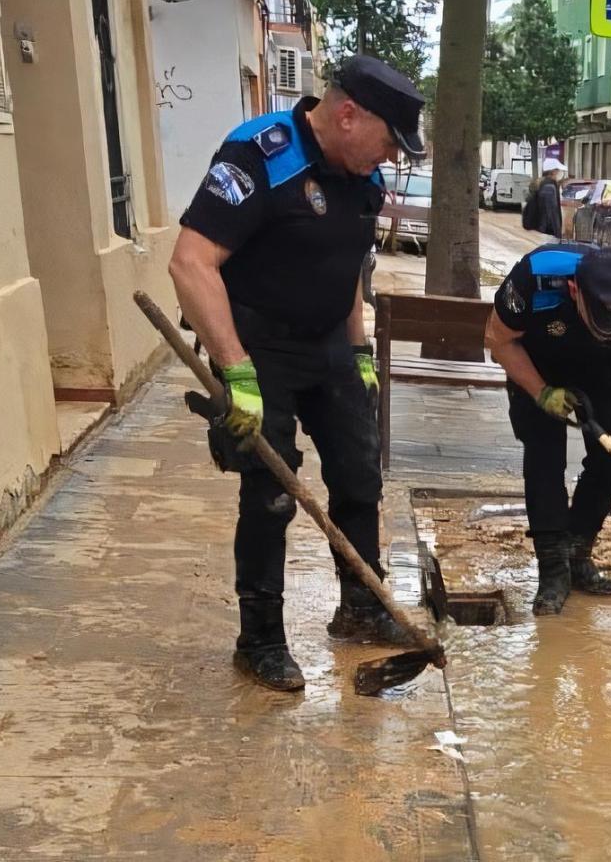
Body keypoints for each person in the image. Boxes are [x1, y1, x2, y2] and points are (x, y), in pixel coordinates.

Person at [167, 54, 425, 691]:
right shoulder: (260, 156)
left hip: (328, 345)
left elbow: (347, 277)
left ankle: (361, 608)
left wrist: (359, 353)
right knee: (271, 491)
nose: (391, 156)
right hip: (258, 348)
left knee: (360, 474)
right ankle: (259, 641)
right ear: (347, 115)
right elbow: (191, 264)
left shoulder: (362, 180)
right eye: (389, 140)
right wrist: (238, 373)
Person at [485, 244, 611, 615]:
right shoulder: (535, 276)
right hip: (536, 361)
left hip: (606, 370)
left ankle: (578, 552)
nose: (606, 329)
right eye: (598, 321)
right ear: (575, 291)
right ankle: (553, 569)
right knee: (544, 455)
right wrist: (542, 393)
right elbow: (497, 340)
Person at [525, 158, 566, 236]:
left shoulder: (545, 183)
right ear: (553, 171)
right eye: (558, 170)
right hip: (549, 231)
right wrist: (557, 233)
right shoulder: (549, 187)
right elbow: (552, 212)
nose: (560, 172)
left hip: (544, 229)